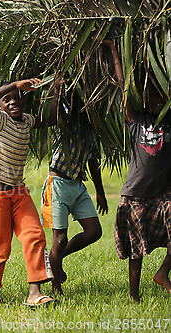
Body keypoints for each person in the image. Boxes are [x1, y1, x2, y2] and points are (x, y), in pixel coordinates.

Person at [0, 78, 59, 307]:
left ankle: (35, 293)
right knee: (1, 245)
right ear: (0, 107)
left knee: (35, 236)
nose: (13, 102)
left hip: (19, 192)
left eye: (16, 98)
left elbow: (51, 119)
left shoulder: (27, 121)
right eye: (7, 99)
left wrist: (56, 86)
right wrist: (14, 84)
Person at [103, 40, 171, 303]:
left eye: (161, 96)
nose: (157, 101)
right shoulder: (137, 120)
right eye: (152, 97)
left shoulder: (169, 123)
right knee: (135, 250)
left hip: (163, 193)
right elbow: (123, 85)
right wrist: (114, 51)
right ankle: (134, 297)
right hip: (135, 194)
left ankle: (163, 273)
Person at [40, 125, 108, 296]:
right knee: (60, 239)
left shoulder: (91, 128)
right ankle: (56, 289)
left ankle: (54, 259)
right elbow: (58, 110)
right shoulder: (67, 120)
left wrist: (100, 192)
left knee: (94, 232)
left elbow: (93, 160)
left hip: (78, 186)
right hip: (57, 185)